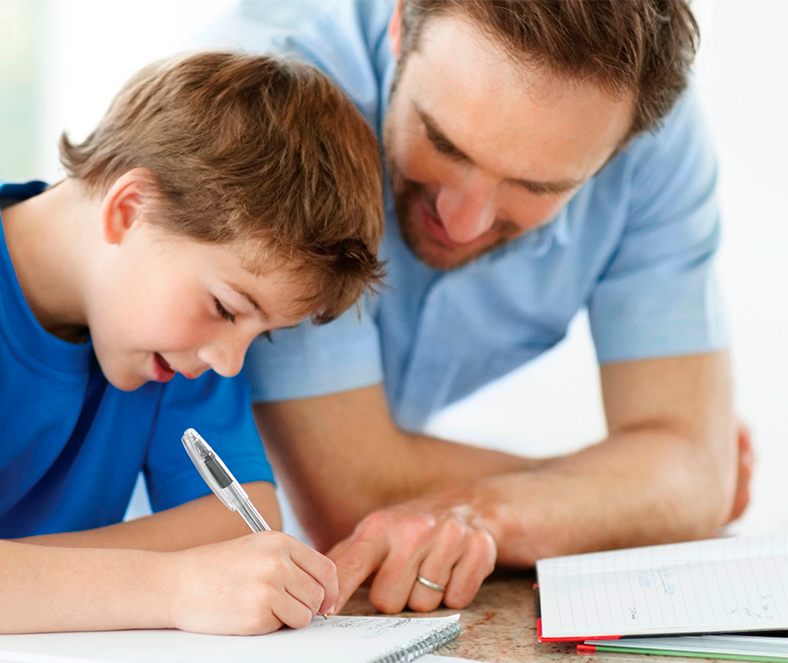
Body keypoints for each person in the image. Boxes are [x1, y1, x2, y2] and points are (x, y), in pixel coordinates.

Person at [0, 51, 384, 646]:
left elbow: (235, 528)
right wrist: (171, 585)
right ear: (131, 209)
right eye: (228, 309)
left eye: (257, 332)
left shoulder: (183, 345)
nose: (231, 361)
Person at [200, 0, 753, 615]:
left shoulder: (655, 140)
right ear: (400, 22)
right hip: (154, 563)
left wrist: (491, 512)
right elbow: (351, 497)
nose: (464, 222)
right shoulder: (272, 107)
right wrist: (629, 487)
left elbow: (697, 477)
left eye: (535, 187)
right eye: (443, 142)